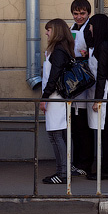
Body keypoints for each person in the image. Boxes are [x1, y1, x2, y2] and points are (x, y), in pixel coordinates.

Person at [39, 18, 74, 184]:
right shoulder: (59, 49)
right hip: (55, 98)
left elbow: (53, 77)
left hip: (56, 98)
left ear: (57, 31)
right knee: (56, 135)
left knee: (56, 136)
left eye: (49, 29)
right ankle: (63, 171)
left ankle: (63, 173)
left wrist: (44, 98)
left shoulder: (59, 51)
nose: (46, 32)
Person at [84, 13, 108, 179]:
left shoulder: (104, 46)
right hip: (98, 91)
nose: (88, 28)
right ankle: (104, 168)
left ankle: (107, 170)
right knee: (100, 132)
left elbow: (102, 74)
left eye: (90, 25)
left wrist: (98, 100)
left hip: (104, 92)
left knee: (104, 133)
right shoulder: (98, 45)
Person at [68, 0, 93, 175]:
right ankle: (76, 161)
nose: (79, 17)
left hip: (86, 79)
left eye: (82, 13)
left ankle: (85, 163)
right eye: (76, 14)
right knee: (76, 126)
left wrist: (86, 54)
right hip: (75, 79)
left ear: (88, 13)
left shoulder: (90, 29)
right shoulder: (71, 29)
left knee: (84, 126)